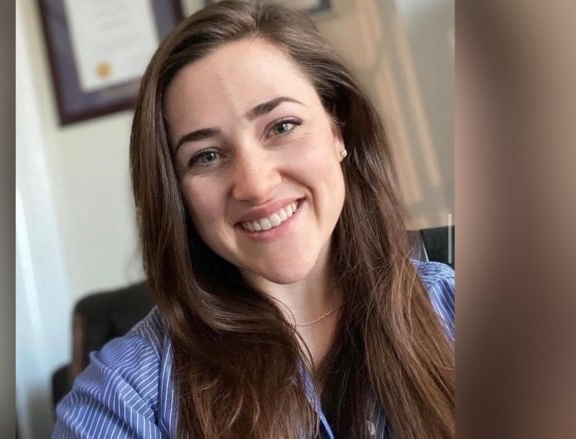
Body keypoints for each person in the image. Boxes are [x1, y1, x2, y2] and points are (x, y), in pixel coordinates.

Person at [53, 1, 454, 438]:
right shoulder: (124, 396)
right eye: (206, 156)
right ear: (176, 192)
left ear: (338, 131)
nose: (256, 185)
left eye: (281, 127)